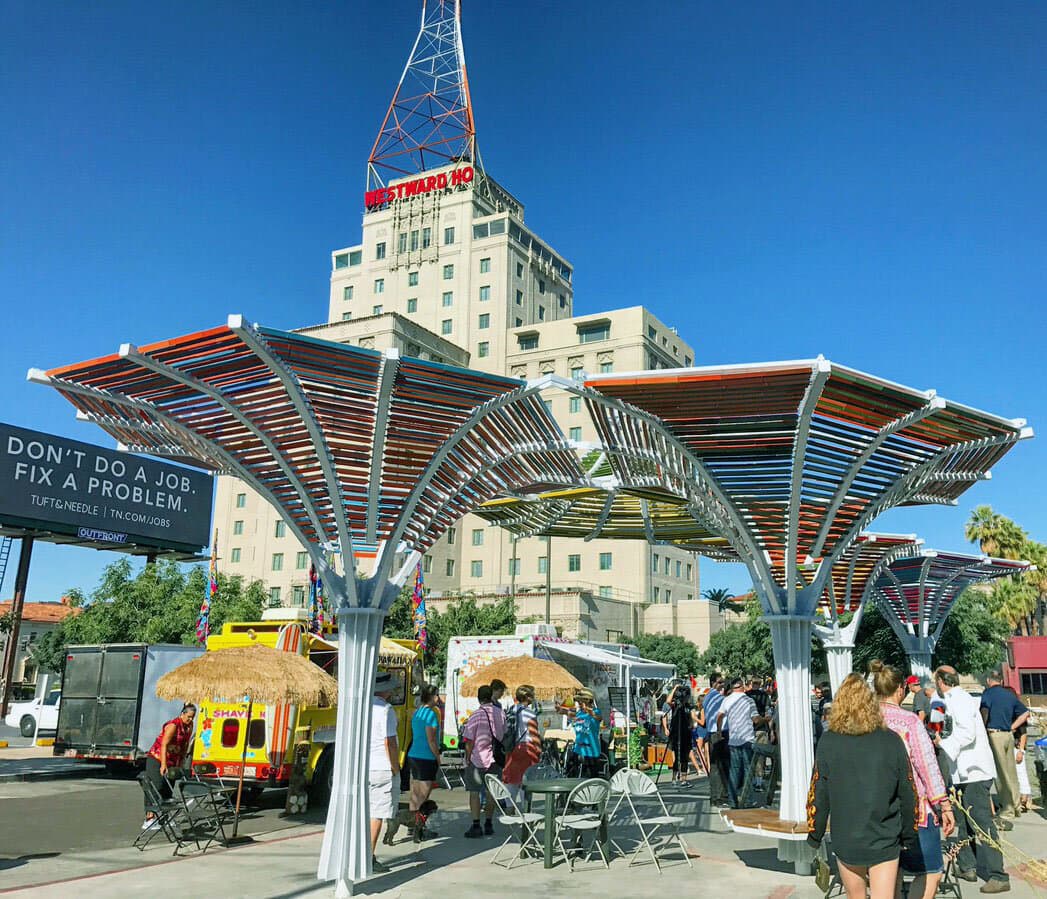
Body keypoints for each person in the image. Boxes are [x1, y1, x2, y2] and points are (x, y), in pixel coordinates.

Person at [807, 674, 918, 899]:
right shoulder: (891, 740)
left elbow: (818, 791)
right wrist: (909, 834)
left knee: (855, 896)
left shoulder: (829, 741)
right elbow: (908, 790)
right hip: (884, 834)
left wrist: (815, 833)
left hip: (847, 835)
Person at [870, 660, 955, 899]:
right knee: (931, 871)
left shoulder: (865, 721)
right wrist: (944, 804)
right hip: (913, 808)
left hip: (875, 808)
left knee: (890, 872)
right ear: (900, 689)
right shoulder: (909, 721)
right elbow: (926, 765)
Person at [933, 665, 1010, 893]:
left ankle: (998, 875)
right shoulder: (948, 700)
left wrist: (944, 743)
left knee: (981, 821)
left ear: (940, 681)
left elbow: (967, 733)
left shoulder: (961, 700)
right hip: (962, 772)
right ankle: (967, 865)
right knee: (963, 821)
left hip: (974, 771)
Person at [980, 670, 1029, 821]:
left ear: (988, 681)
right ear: (1001, 681)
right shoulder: (1009, 695)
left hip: (995, 735)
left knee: (1001, 774)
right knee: (1011, 773)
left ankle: (1007, 810)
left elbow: (984, 713)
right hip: (1008, 735)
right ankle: (1016, 806)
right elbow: (1025, 713)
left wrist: (982, 731)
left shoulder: (987, 694)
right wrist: (1012, 727)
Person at [142, 703, 196, 829]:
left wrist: (181, 762)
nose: (190, 719)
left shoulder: (189, 726)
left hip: (173, 759)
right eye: (188, 716)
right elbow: (164, 745)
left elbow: (185, 745)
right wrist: (163, 765)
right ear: (182, 714)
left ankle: (165, 817)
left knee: (168, 788)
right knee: (156, 786)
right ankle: (149, 818)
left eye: (192, 717)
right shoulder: (173, 725)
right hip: (157, 758)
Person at [462, 684, 504, 838]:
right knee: (491, 792)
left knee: (474, 792)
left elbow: (469, 740)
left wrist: (467, 757)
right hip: (495, 759)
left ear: (479, 698)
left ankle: (476, 825)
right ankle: (489, 823)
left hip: (477, 758)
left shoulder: (476, 715)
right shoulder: (500, 713)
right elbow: (503, 734)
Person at [369, 671, 400, 873]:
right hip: (381, 765)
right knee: (377, 813)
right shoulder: (386, 710)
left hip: (364, 766)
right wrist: (395, 767)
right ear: (386, 690)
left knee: (364, 811)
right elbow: (390, 742)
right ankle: (368, 856)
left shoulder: (363, 707)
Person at [406, 683, 441, 842]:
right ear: (432, 697)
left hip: (413, 754)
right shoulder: (431, 714)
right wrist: (438, 757)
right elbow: (431, 739)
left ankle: (412, 824)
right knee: (423, 796)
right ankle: (419, 829)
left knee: (415, 793)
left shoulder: (418, 712)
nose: (438, 698)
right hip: (426, 757)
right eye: (437, 695)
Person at [717, 678, 760, 808]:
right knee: (748, 770)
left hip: (734, 739)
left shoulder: (727, 700)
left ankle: (732, 801)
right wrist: (766, 718)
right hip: (747, 739)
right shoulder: (749, 700)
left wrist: (719, 730)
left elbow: (719, 716)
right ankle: (748, 800)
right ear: (742, 686)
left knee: (734, 771)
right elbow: (756, 719)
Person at [502, 684, 542, 802]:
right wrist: (539, 751)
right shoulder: (530, 713)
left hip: (512, 748)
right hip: (527, 749)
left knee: (512, 781)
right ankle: (525, 809)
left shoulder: (511, 710)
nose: (534, 697)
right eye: (532, 695)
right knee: (525, 782)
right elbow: (534, 736)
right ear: (527, 697)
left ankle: (510, 808)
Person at [703, 673, 729, 805]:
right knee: (721, 766)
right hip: (719, 733)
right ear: (713, 683)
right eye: (720, 682)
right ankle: (719, 796)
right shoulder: (718, 698)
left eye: (723, 682)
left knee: (716, 766)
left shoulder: (708, 696)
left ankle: (715, 796)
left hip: (713, 733)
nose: (722, 684)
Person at [1004, 686, 1031, 814]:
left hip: (1016, 746)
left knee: (1021, 773)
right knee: (1011, 775)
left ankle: (1024, 799)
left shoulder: (1017, 712)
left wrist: (1021, 750)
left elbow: (1023, 732)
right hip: (1009, 745)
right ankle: (1017, 799)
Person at [664, 683, 694, 786]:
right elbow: (668, 701)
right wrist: (675, 688)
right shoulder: (676, 705)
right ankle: (674, 778)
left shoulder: (688, 706)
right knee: (677, 757)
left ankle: (684, 779)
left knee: (685, 757)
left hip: (686, 733)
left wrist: (691, 724)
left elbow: (690, 717)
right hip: (677, 734)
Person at [569, 694, 603, 778]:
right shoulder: (579, 713)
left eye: (581, 702)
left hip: (591, 750)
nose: (579, 704)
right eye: (579, 702)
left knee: (591, 777)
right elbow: (573, 717)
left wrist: (590, 711)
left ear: (587, 701)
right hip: (578, 749)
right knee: (577, 775)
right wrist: (563, 710)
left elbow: (599, 718)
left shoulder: (596, 711)